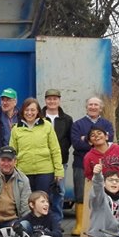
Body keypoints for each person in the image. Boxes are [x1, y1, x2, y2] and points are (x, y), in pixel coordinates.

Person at [69, 96, 114, 236]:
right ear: (86, 107)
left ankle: (104, 223)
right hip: (80, 163)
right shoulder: (77, 124)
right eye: (90, 104)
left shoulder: (107, 124)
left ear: (100, 108)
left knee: (104, 192)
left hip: (103, 164)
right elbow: (76, 143)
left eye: (96, 105)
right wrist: (97, 141)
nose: (93, 107)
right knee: (81, 193)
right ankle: (80, 224)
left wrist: (86, 139)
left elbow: (109, 141)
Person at [10, 97, 64, 196]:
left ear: (38, 111)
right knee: (26, 201)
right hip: (24, 172)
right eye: (26, 110)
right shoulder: (16, 129)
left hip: (45, 172)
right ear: (22, 111)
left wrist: (59, 171)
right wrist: (14, 171)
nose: (29, 113)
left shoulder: (47, 126)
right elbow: (12, 153)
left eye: (32, 110)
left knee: (43, 200)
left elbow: (55, 150)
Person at [42, 89, 73, 220]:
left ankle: (57, 221)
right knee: (44, 192)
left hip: (61, 161)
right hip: (43, 162)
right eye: (49, 99)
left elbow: (69, 139)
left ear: (59, 100)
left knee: (59, 192)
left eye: (55, 99)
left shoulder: (67, 119)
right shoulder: (40, 118)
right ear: (45, 100)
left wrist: (63, 149)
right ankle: (44, 219)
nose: (52, 101)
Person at [83, 124, 119, 194]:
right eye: (92, 135)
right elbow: (88, 176)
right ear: (90, 142)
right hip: (102, 194)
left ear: (106, 136)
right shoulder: (88, 157)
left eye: (99, 133)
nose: (96, 136)